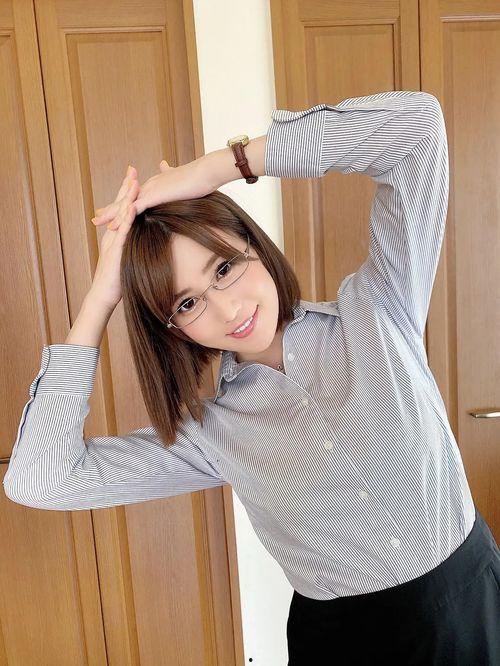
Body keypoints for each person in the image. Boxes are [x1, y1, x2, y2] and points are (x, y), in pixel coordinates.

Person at [4, 90, 500, 665]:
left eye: (223, 268)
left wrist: (218, 168)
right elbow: (39, 479)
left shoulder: (378, 307)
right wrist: (100, 299)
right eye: (187, 303)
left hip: (469, 606)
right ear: (172, 328)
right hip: (343, 642)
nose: (228, 309)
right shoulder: (208, 433)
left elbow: (415, 129)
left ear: (252, 244)